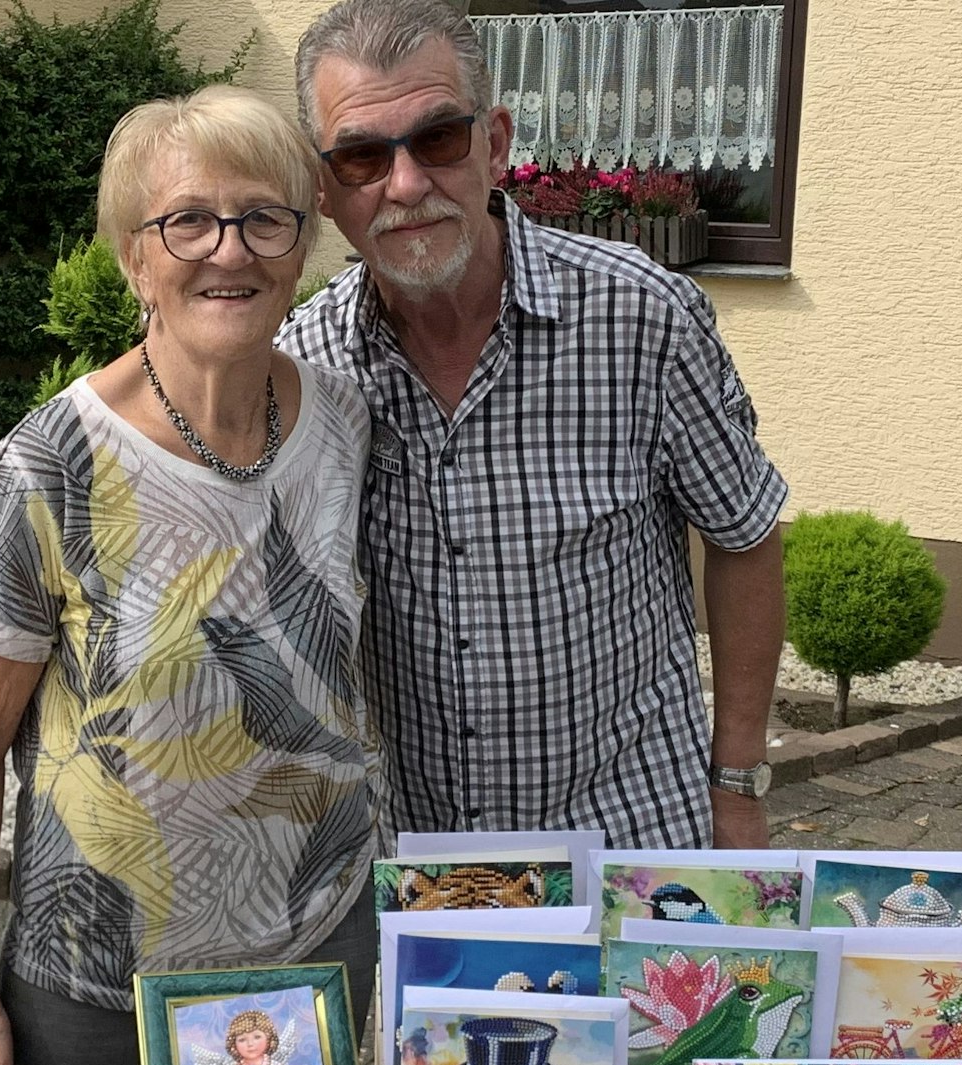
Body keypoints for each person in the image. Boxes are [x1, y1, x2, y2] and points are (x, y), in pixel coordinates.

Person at [0, 84, 378, 1065]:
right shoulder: (47, 469)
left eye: (264, 218)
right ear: (134, 256)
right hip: (99, 993)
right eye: (188, 221)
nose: (231, 249)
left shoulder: (344, 430)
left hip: (319, 963)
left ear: (299, 247)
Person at [278, 0, 787, 850]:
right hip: (425, 867)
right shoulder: (308, 364)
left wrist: (735, 785)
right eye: (364, 155)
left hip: (629, 841)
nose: (406, 186)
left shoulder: (641, 315)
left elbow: (744, 536)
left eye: (438, 138)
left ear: (496, 142)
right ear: (327, 188)